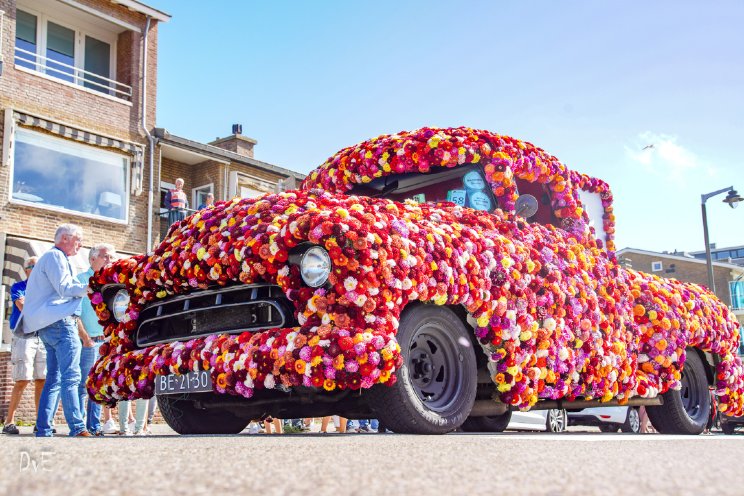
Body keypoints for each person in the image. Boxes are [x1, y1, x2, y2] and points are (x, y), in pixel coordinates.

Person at [17, 224, 91, 437]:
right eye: (79, 239)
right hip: (61, 323)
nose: (81, 244)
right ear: (66, 239)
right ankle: (77, 428)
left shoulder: (51, 257)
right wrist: (90, 287)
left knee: (54, 378)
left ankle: (43, 428)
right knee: (71, 376)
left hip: (49, 326)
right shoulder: (56, 257)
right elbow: (65, 288)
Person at [76, 243, 115, 436]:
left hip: (106, 341)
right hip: (89, 341)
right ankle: (80, 425)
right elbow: (73, 314)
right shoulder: (81, 280)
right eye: (106, 256)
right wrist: (84, 337)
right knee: (84, 383)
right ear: (92, 259)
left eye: (112, 257)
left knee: (99, 385)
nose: (110, 260)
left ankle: (95, 426)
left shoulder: (112, 283)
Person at [2, 257, 46, 435]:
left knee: (41, 380)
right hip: (23, 336)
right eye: (33, 267)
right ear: (27, 270)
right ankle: (9, 422)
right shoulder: (18, 287)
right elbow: (24, 307)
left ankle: (40, 421)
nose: (37, 270)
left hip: (42, 336)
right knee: (23, 379)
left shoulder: (45, 290)